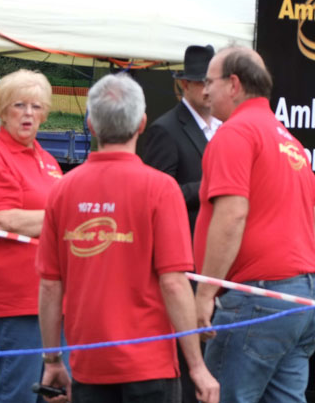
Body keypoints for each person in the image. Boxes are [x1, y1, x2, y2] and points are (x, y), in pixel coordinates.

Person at [36, 73, 219, 403]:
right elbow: (174, 283)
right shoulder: (161, 189)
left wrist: (51, 360)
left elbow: (50, 285)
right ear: (142, 123)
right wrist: (197, 366)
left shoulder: (62, 190)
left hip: (89, 364)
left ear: (90, 125)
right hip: (150, 369)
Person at [194, 46, 315, 403]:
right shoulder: (287, 139)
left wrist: (205, 294)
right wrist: (305, 275)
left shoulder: (234, 134)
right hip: (300, 301)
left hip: (256, 300)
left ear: (234, 84)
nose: (204, 90)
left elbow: (232, 214)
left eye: (209, 81)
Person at [0, 69, 66, 403]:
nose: (28, 113)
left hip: (50, 294)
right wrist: (67, 218)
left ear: (46, 113)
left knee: (51, 392)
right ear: (3, 111)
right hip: (14, 296)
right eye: (19, 105)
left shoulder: (48, 160)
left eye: (36, 107)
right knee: (19, 392)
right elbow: (3, 218)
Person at [143, 45, 220, 235]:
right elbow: (156, 196)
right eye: (203, 83)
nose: (209, 90)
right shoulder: (165, 130)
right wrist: (209, 187)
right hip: (186, 246)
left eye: (213, 82)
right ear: (185, 85)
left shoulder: (225, 125)